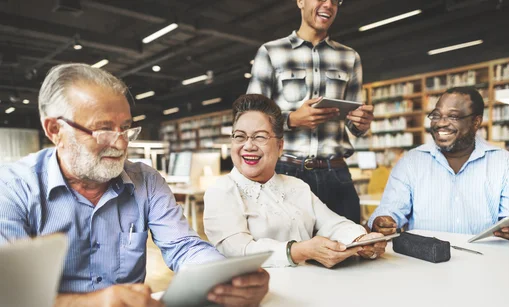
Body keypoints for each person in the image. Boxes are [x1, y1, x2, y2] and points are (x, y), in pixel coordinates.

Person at [0, 64, 269, 307]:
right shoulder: (13, 188)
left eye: (126, 129)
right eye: (104, 130)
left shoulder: (146, 181)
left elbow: (184, 247)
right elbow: (10, 294)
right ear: (55, 131)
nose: (121, 144)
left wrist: (229, 279)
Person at [204, 94, 386, 268]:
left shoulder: (297, 186)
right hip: (259, 294)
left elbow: (333, 223)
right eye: (240, 136)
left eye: (260, 137)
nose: (249, 146)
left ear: (280, 146)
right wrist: (299, 251)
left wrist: (361, 241)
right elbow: (239, 250)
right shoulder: (221, 191)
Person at [246, 0, 374, 224]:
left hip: (336, 173)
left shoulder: (350, 57)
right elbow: (250, 118)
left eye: (335, 1)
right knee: (289, 253)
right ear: (301, 1)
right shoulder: (270, 52)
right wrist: (291, 120)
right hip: (286, 171)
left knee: (351, 249)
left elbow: (354, 123)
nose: (329, 5)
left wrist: (361, 123)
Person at [368, 87, 509, 243]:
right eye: (436, 115)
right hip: (424, 266)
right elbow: (389, 211)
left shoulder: (506, 164)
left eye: (452, 116)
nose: (441, 123)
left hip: (486, 266)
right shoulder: (410, 163)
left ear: (476, 122)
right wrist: (381, 222)